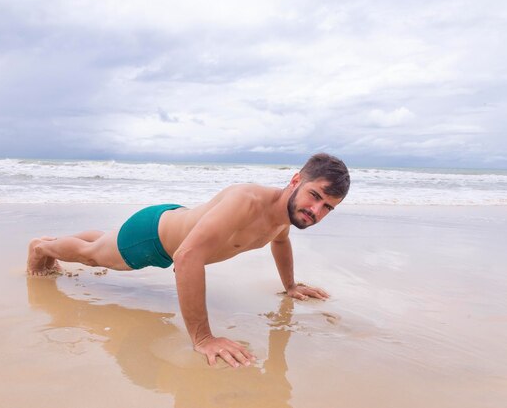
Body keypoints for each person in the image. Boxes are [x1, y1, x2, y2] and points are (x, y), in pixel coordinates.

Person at [27, 153, 350, 368]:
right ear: (295, 180)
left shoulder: (284, 217)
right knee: (94, 256)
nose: (316, 211)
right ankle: (42, 248)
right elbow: (187, 256)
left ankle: (71, 240)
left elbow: (280, 242)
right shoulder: (247, 200)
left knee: (106, 242)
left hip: (170, 222)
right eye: (315, 196)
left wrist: (290, 285)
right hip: (153, 239)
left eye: (328, 208)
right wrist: (203, 338)